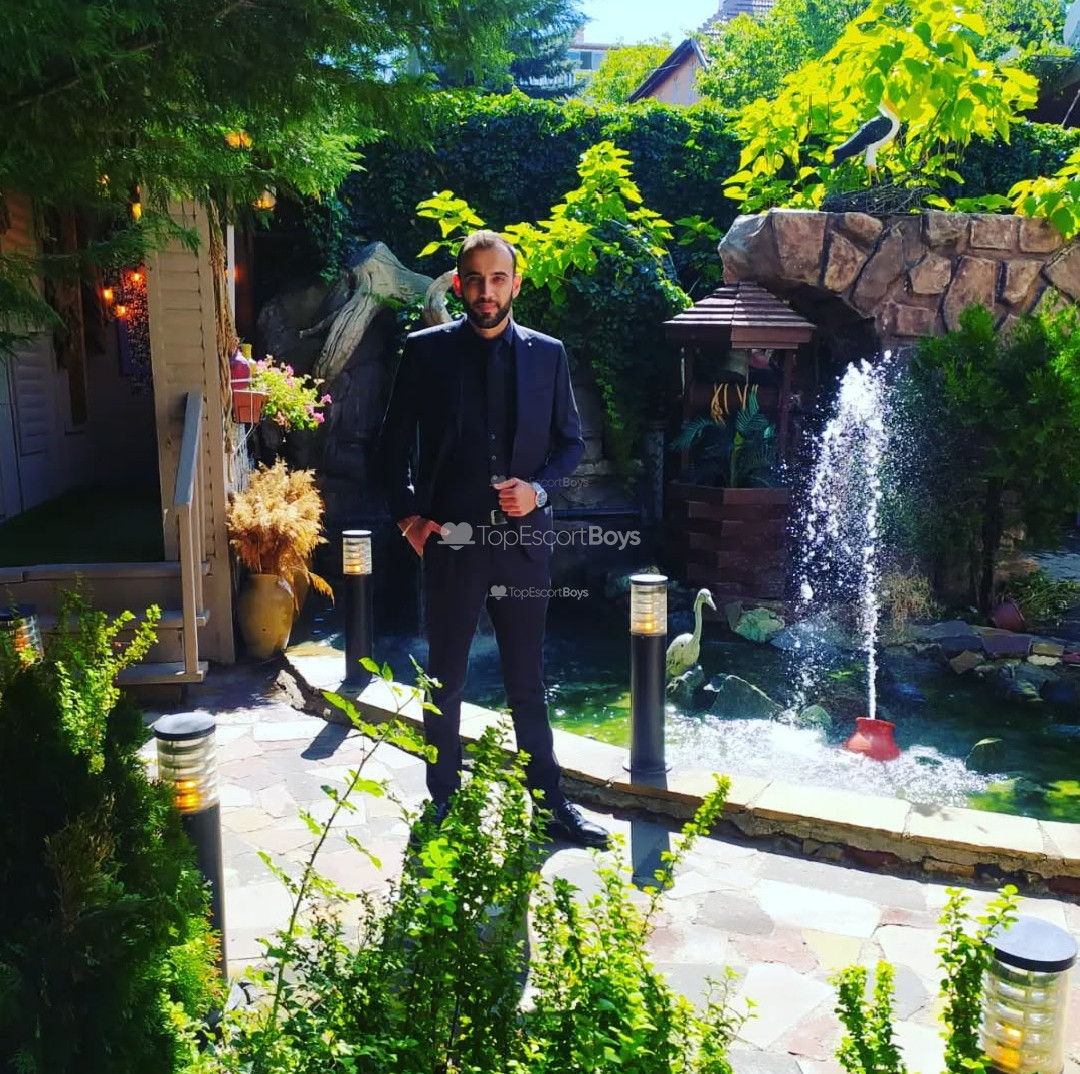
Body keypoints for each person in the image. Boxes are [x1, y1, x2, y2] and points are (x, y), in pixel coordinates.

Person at [377, 230, 610, 849]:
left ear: (515, 284)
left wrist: (539, 491)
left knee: (527, 680)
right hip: (451, 540)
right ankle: (444, 802)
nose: (486, 291)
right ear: (459, 286)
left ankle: (549, 804)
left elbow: (570, 444)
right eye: (475, 280)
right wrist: (409, 520)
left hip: (523, 543)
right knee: (445, 678)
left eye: (498, 279)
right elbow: (391, 444)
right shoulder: (425, 352)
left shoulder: (548, 354)